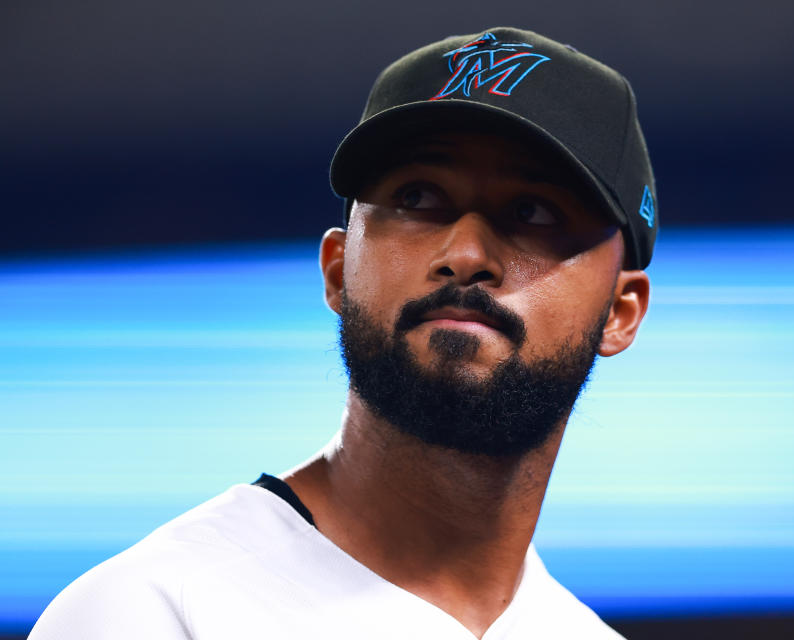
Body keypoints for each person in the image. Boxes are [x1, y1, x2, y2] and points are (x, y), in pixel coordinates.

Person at [29, 26, 657, 639]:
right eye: (418, 196)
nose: (465, 252)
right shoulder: (148, 612)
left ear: (621, 311)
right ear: (337, 271)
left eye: (532, 211)